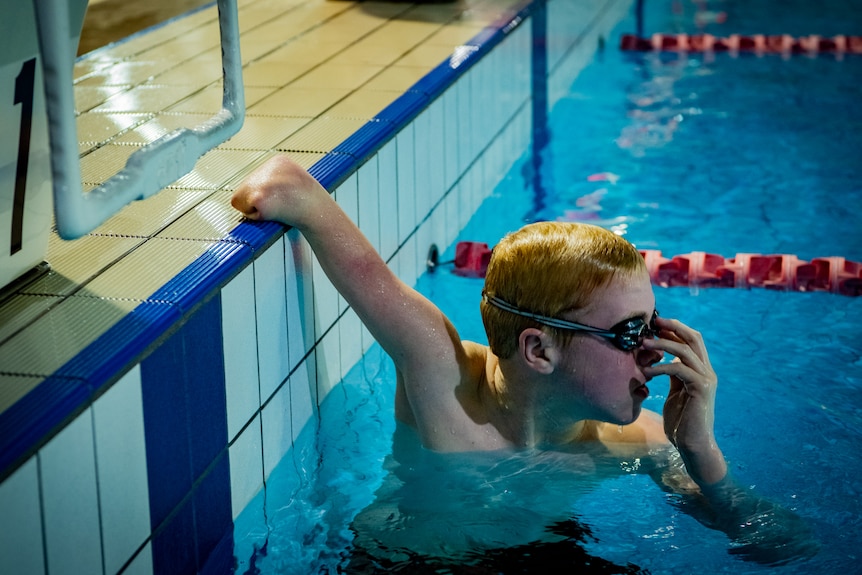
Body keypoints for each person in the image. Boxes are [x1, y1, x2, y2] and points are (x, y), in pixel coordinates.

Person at [231, 154, 816, 565]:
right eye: (631, 331)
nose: (654, 351)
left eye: (655, 325)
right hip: (404, 561)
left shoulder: (639, 444)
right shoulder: (448, 381)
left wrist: (702, 452)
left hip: (542, 553)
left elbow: (775, 547)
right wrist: (291, 193)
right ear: (539, 349)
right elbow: (357, 263)